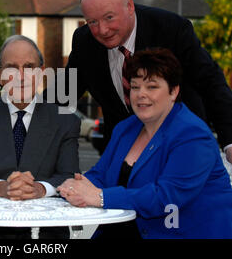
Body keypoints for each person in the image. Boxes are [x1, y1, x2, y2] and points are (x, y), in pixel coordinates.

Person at [58, 48, 232, 239]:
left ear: (173, 91)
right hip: (122, 230)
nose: (141, 94)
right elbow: (101, 174)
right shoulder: (125, 128)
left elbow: (166, 198)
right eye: (135, 87)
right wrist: (76, 186)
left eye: (151, 87)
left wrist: (100, 197)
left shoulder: (193, 135)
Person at [59, 0, 232, 163]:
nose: (103, 30)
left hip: (180, 149)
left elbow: (211, 84)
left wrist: (230, 142)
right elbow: (62, 95)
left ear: (129, 6)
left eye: (109, 17)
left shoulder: (171, 29)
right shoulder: (84, 42)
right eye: (92, 22)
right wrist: (26, 115)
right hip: (123, 155)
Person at [0, 35, 80, 238]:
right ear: (0, 74)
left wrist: (38, 189)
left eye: (29, 67)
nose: (21, 76)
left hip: (45, 232)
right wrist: (2, 188)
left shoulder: (66, 121)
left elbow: (69, 175)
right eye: (12, 68)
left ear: (40, 73)